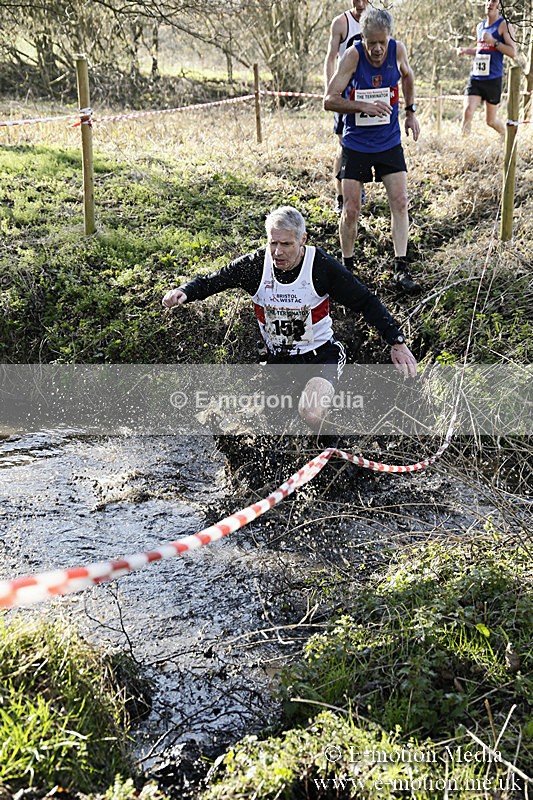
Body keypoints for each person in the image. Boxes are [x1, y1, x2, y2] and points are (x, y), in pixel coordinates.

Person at [162, 206, 417, 431]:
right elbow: (214, 280)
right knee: (266, 427)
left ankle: (334, 450)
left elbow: (365, 301)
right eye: (273, 243)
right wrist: (185, 291)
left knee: (311, 411)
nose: (278, 252)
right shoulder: (255, 265)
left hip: (321, 356)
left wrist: (396, 340)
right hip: (278, 362)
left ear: (302, 239)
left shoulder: (322, 267)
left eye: (286, 244)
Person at [323, 7, 421, 294]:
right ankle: (347, 269)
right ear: (362, 38)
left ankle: (401, 268)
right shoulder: (352, 56)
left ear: (388, 37)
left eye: (382, 42)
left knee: (400, 201)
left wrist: (411, 112)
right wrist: (361, 106)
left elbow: (408, 76)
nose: (377, 49)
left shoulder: (397, 50)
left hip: (389, 141)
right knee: (351, 209)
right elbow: (329, 99)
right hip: (356, 144)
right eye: (371, 43)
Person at [324, 0, 369, 215]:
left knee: (363, 146)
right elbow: (331, 57)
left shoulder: (376, 20)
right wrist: (329, 91)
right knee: (345, 146)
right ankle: (341, 195)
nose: (360, 4)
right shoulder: (341, 22)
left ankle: (357, 189)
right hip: (345, 94)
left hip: (368, 94)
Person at [457, 0, 517, 137]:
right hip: (476, 77)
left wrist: (494, 42)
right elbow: (482, 50)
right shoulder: (480, 26)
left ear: (499, 6)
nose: (489, 3)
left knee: (490, 121)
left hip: (493, 78)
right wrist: (466, 50)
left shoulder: (504, 25)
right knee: (467, 111)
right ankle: (463, 148)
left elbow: (513, 52)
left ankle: (505, 137)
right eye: (488, 1)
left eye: (494, 1)